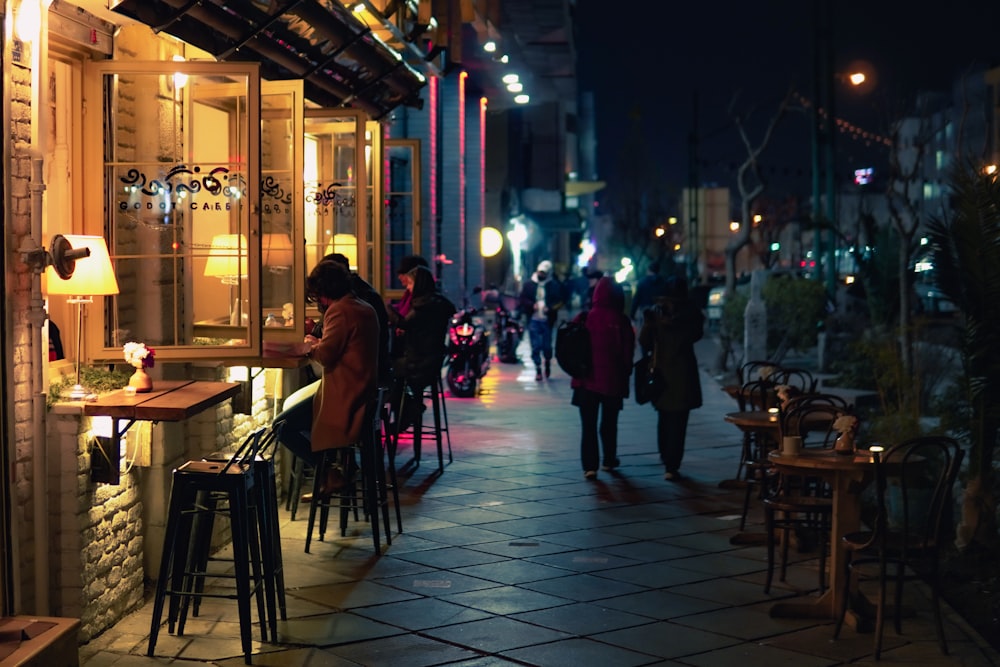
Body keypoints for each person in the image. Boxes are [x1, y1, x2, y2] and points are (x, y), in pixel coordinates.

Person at [302, 261, 380, 454]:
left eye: (318, 294)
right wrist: (317, 342)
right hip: (364, 390)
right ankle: (337, 467)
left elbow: (326, 356)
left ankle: (328, 470)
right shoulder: (365, 307)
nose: (319, 300)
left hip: (345, 394)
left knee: (283, 425)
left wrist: (310, 345)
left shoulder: (339, 310)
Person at [638, 277, 704, 481]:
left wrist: (656, 322)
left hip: (666, 375)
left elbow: (644, 342)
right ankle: (671, 463)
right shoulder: (690, 316)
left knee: (667, 419)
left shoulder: (681, 317)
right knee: (676, 422)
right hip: (677, 377)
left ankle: (668, 459)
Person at [570, 276, 635, 479]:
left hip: (586, 381)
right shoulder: (622, 322)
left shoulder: (584, 318)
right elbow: (627, 354)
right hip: (612, 381)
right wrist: (625, 372)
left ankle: (590, 466)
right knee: (609, 423)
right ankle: (609, 459)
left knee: (588, 425)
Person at [386, 264, 456, 428]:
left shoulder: (424, 305)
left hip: (420, 362)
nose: (408, 289)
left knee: (387, 371)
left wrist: (388, 308)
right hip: (431, 359)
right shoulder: (436, 302)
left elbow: (404, 323)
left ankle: (410, 410)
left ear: (418, 284)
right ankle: (410, 409)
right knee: (392, 371)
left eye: (410, 284)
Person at [325, 252, 391, 385]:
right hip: (374, 363)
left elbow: (327, 351)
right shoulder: (360, 292)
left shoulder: (352, 299)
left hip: (360, 371)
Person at [518, 260, 564, 381]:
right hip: (533, 319)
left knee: (547, 346)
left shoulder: (553, 285)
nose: (541, 275)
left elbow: (560, 301)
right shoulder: (529, 284)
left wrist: (550, 308)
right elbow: (522, 298)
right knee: (535, 345)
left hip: (547, 321)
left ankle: (547, 361)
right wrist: (531, 305)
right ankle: (538, 368)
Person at [630, 262, 668, 327]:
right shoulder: (663, 282)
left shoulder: (642, 282)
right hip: (659, 312)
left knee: (643, 332)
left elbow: (636, 299)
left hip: (644, 312)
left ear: (648, 270)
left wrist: (632, 314)